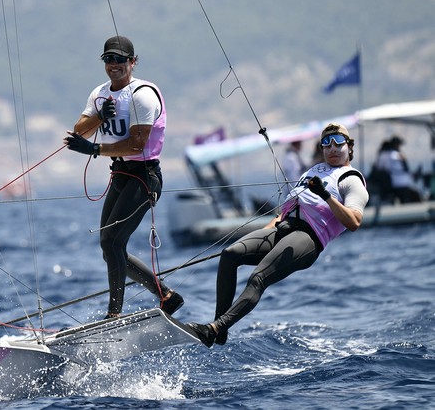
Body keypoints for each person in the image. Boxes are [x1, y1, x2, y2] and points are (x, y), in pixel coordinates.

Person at [187, 123, 369, 347]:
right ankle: (219, 330)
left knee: (258, 278)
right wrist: (257, 238)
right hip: (282, 228)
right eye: (326, 143)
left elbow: (354, 222)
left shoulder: (351, 179)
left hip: (308, 238)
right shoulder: (313, 171)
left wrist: (326, 195)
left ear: (350, 147)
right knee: (230, 254)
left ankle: (214, 329)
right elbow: (283, 213)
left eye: (338, 142)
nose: (332, 148)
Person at [63, 35, 183, 319]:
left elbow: (136, 144)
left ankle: (114, 314)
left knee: (113, 242)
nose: (113, 65)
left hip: (145, 175)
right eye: (108, 59)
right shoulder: (100, 93)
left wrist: (94, 148)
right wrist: (100, 116)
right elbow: (79, 130)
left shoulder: (142, 94)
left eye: (119, 59)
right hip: (119, 175)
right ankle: (166, 296)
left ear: (132, 61)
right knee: (109, 246)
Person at [374, 136, 421, 203]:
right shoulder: (397, 155)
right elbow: (405, 169)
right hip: (401, 183)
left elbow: (379, 167)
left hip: (393, 183)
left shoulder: (385, 155)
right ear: (396, 145)